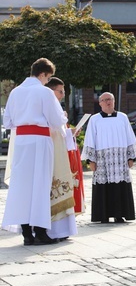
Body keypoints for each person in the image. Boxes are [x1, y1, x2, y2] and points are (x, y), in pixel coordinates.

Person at [1, 58, 68, 245]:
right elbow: (56, 120)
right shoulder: (44, 92)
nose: (48, 81)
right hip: (40, 141)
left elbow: (8, 122)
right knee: (40, 185)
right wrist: (62, 118)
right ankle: (40, 232)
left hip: (21, 141)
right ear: (43, 74)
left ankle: (26, 234)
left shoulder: (15, 92)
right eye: (48, 78)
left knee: (22, 186)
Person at [81, 92, 136, 224]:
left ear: (114, 101)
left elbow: (130, 136)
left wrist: (131, 157)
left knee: (120, 186)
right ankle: (103, 215)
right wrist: (91, 160)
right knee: (104, 187)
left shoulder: (122, 117)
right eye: (105, 100)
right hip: (102, 159)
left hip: (120, 158)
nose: (108, 102)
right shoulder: (94, 119)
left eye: (110, 99)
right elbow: (90, 139)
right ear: (100, 103)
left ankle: (120, 215)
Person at [45, 77, 78, 241]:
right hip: (52, 152)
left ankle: (63, 230)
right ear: (51, 91)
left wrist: (69, 133)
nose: (62, 95)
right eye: (60, 91)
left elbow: (60, 131)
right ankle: (54, 230)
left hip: (59, 151)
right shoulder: (47, 105)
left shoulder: (56, 106)